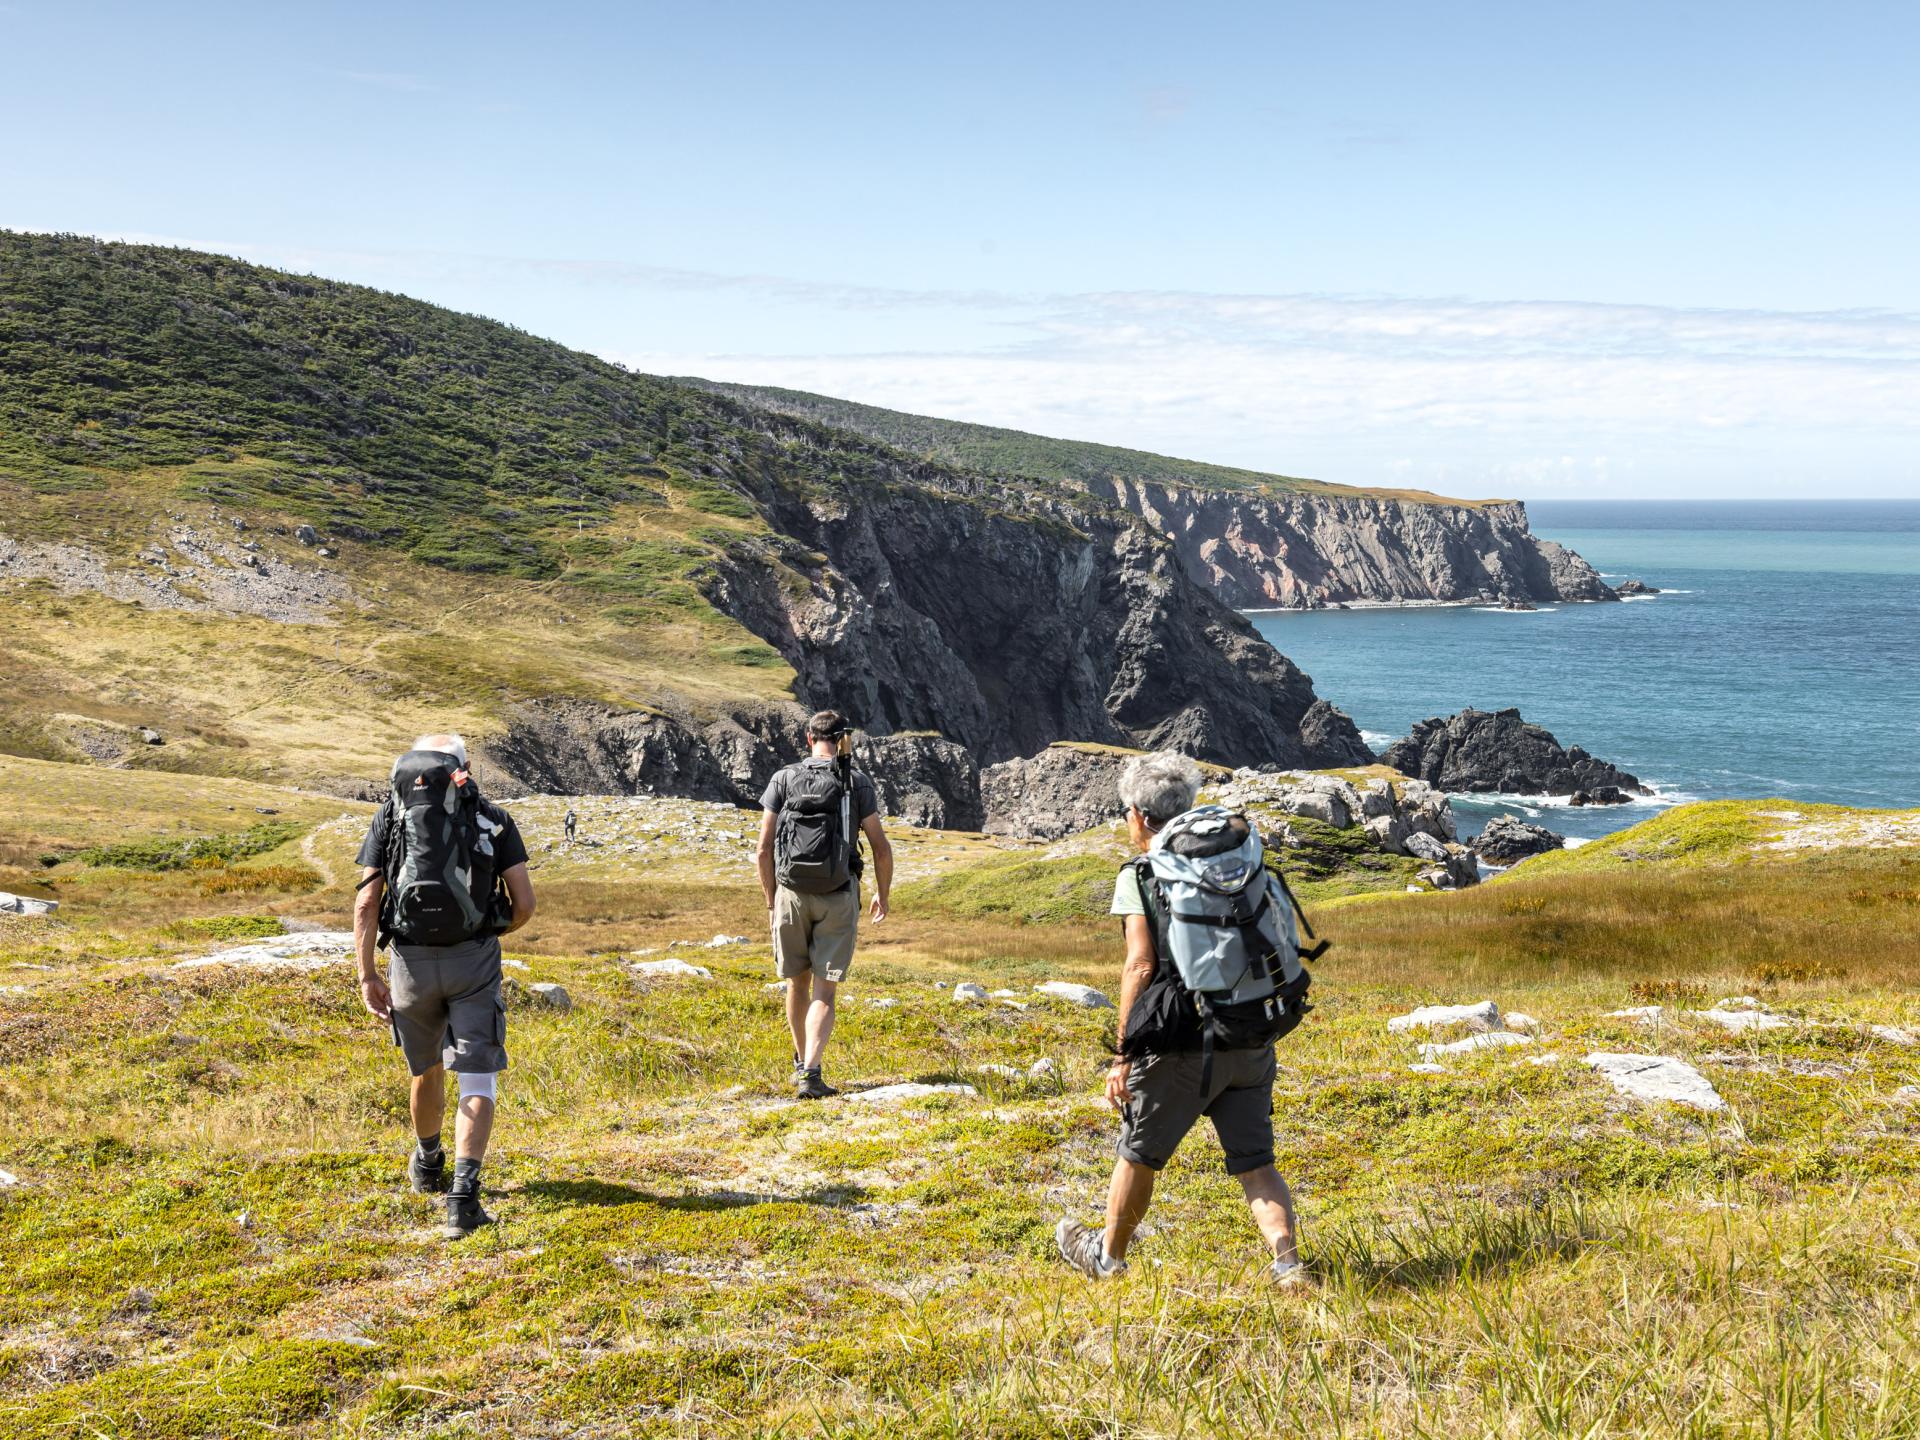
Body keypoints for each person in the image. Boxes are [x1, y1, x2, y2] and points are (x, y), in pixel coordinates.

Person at [1055, 751, 1309, 1286]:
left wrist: (1123, 1053)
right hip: (1249, 1031)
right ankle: (1287, 1264)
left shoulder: (1142, 875)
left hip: (1182, 1043)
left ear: (1141, 817)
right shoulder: (1237, 862)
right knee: (1256, 1161)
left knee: (1139, 1154)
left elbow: (1140, 965)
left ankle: (1108, 1259)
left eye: (1126, 811)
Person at [353, 734, 536, 1239]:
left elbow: (368, 904)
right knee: (477, 1076)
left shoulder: (389, 818)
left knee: (425, 1068)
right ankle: (464, 1198)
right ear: (465, 768)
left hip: (409, 963)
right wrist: (491, 931)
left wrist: (368, 973)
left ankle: (428, 1161)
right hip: (473, 959)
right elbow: (524, 902)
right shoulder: (494, 819)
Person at [756, 709, 893, 1099]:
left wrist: (772, 898)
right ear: (845, 740)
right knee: (824, 991)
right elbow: (881, 849)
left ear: (807, 738)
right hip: (838, 895)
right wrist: (882, 894)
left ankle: (801, 1063)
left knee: (795, 984)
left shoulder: (783, 778)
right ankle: (812, 1073)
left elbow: (763, 849)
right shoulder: (856, 782)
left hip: (791, 894)